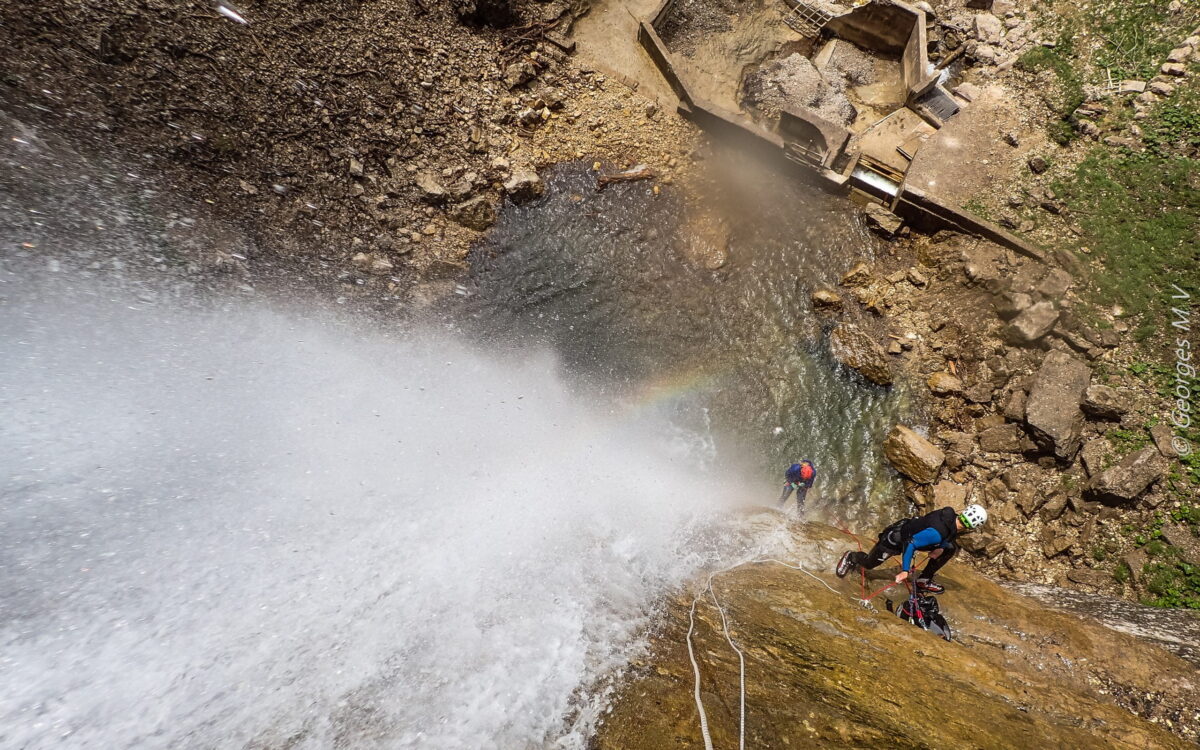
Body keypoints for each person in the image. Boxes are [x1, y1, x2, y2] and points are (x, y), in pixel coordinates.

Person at [835, 504, 987, 594]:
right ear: (974, 526)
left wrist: (940, 547)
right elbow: (910, 543)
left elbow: (951, 532)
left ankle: (924, 579)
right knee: (869, 564)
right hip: (896, 539)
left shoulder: (950, 515)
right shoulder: (937, 533)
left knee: (949, 548)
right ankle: (851, 557)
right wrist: (905, 570)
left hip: (915, 533)